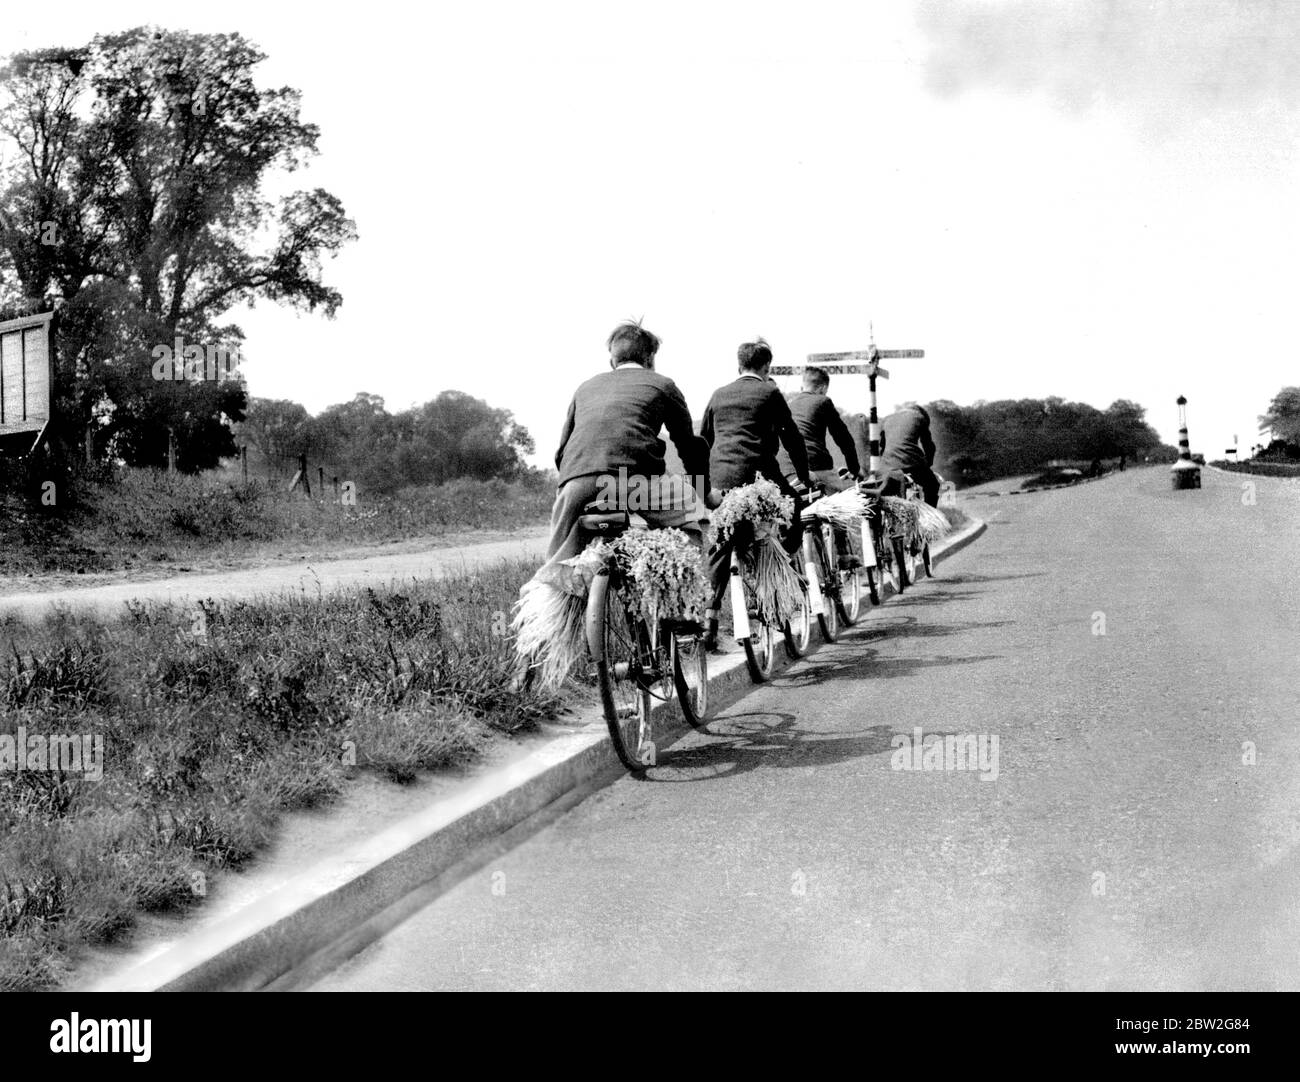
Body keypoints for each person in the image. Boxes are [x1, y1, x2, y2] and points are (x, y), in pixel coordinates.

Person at [542, 320, 711, 574]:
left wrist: (571, 484)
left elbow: (562, 451)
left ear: (612, 360)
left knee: (554, 569)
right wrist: (703, 491)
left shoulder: (585, 387)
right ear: (651, 357)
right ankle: (678, 601)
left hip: (577, 484)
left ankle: (544, 607)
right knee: (693, 516)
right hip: (635, 482)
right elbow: (688, 446)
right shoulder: (663, 384)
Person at [699, 338, 813, 649]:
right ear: (766, 367)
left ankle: (709, 618)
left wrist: (703, 487)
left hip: (722, 479)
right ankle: (783, 572)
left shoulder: (718, 395)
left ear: (738, 365)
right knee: (795, 509)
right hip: (760, 475)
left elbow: (702, 442)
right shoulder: (770, 391)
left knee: (722, 541)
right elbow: (793, 438)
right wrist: (803, 478)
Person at [878, 401, 940, 506]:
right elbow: (929, 446)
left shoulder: (886, 419)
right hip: (911, 462)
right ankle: (930, 516)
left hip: (887, 466)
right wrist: (928, 464)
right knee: (933, 485)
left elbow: (881, 447)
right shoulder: (920, 417)